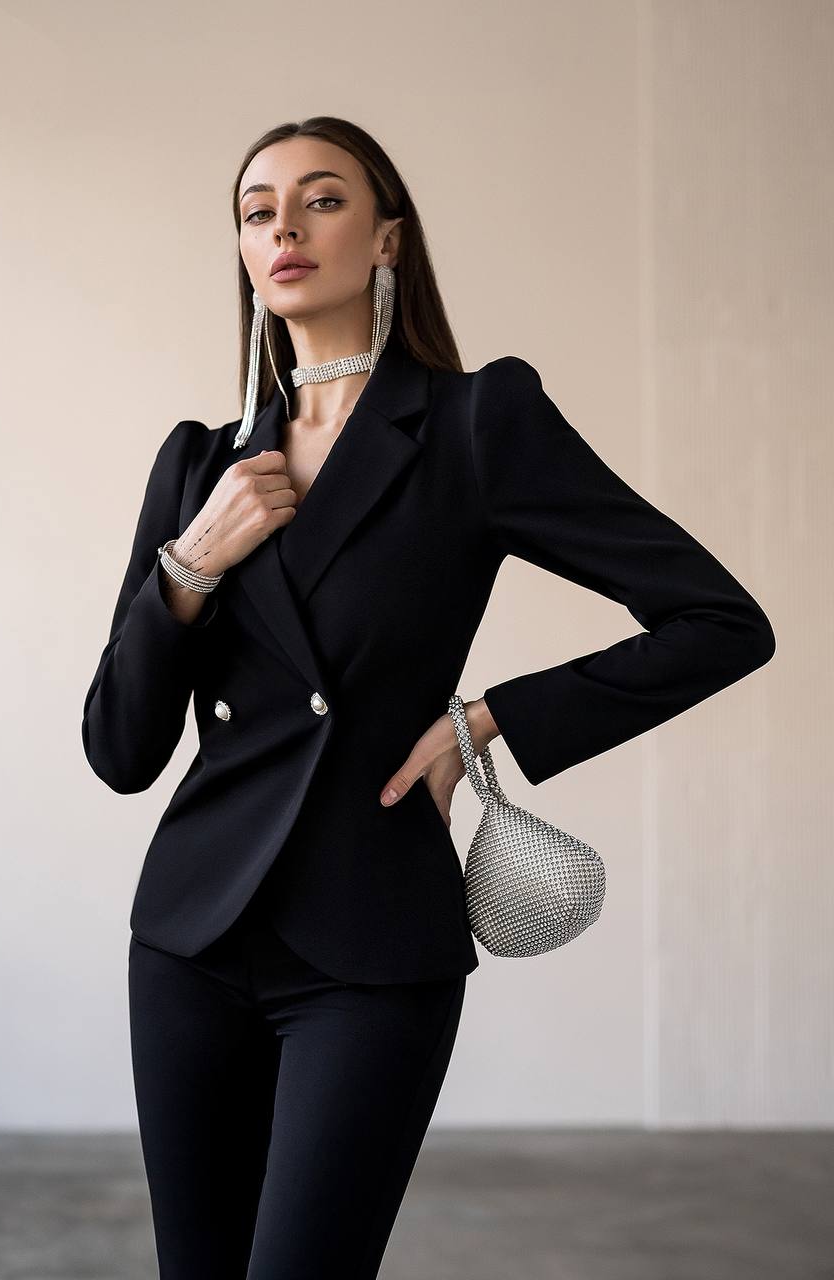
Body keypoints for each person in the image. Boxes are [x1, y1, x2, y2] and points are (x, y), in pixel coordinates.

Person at [81, 117, 776, 1280]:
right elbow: (118, 745)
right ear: (244, 253)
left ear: (386, 234)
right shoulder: (199, 464)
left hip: (369, 943)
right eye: (258, 211)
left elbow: (719, 623)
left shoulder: (473, 423)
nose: (286, 228)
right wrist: (189, 565)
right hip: (192, 937)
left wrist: (486, 720)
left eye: (322, 200)